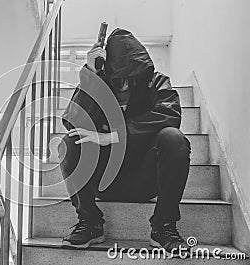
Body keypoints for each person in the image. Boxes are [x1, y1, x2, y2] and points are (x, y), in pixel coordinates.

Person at [59, 28, 191, 252]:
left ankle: (163, 226)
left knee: (173, 138)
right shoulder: (96, 84)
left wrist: (113, 136)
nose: (125, 85)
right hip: (104, 182)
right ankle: (90, 222)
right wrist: (91, 76)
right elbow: (73, 122)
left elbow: (170, 115)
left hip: (145, 179)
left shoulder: (157, 83)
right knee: (71, 141)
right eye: (119, 79)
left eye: (132, 77)